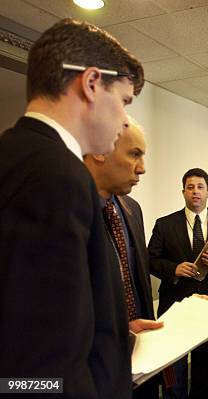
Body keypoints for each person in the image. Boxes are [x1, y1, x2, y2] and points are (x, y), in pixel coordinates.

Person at [0, 19, 143, 399]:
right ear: (92, 83)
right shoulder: (59, 176)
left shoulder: (14, 155)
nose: (126, 119)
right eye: (125, 101)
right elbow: (45, 362)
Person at [84, 117, 163, 399]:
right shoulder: (69, 212)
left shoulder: (131, 208)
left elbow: (135, 277)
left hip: (141, 351)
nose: (142, 168)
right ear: (99, 150)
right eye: (134, 154)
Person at [148, 168, 208, 399]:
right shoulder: (164, 224)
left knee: (207, 369)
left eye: (200, 187)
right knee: (174, 371)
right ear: (183, 192)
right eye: (190, 187)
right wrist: (174, 269)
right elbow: (149, 260)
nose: (195, 192)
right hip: (174, 305)